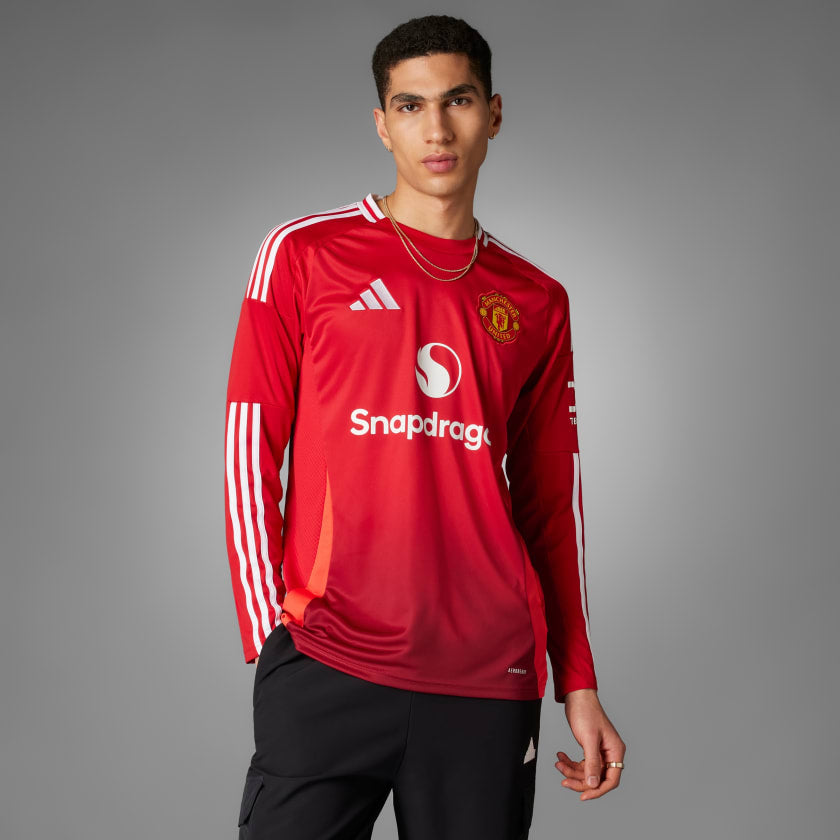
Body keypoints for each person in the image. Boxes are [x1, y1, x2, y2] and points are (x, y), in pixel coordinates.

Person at [224, 14, 626, 840]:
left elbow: (553, 503)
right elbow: (248, 442)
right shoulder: (304, 254)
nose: (436, 129)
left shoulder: (536, 300)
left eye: (459, 101)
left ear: (494, 114)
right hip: (328, 664)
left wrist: (577, 680)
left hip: (487, 678)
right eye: (410, 106)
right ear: (382, 124)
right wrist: (273, 636)